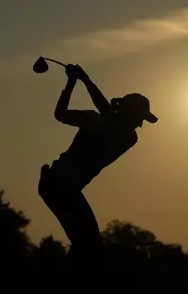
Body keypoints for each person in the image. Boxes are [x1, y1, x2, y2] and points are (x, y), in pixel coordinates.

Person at [38, 64, 158, 268]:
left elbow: (107, 115)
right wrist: (72, 82)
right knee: (89, 248)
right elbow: (61, 114)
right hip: (59, 185)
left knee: (88, 247)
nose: (140, 124)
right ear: (128, 113)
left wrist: (82, 79)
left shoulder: (128, 137)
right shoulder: (96, 120)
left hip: (63, 187)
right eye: (139, 118)